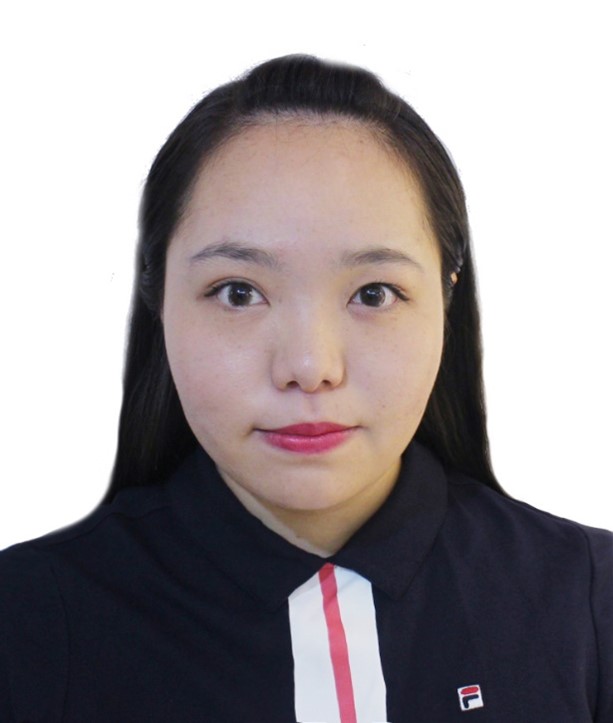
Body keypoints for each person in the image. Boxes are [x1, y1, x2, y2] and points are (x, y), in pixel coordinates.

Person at [0, 54, 611, 722]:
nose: (311, 365)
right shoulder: (25, 619)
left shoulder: (588, 598)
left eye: (374, 293)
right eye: (238, 292)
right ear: (159, 299)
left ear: (445, 298)